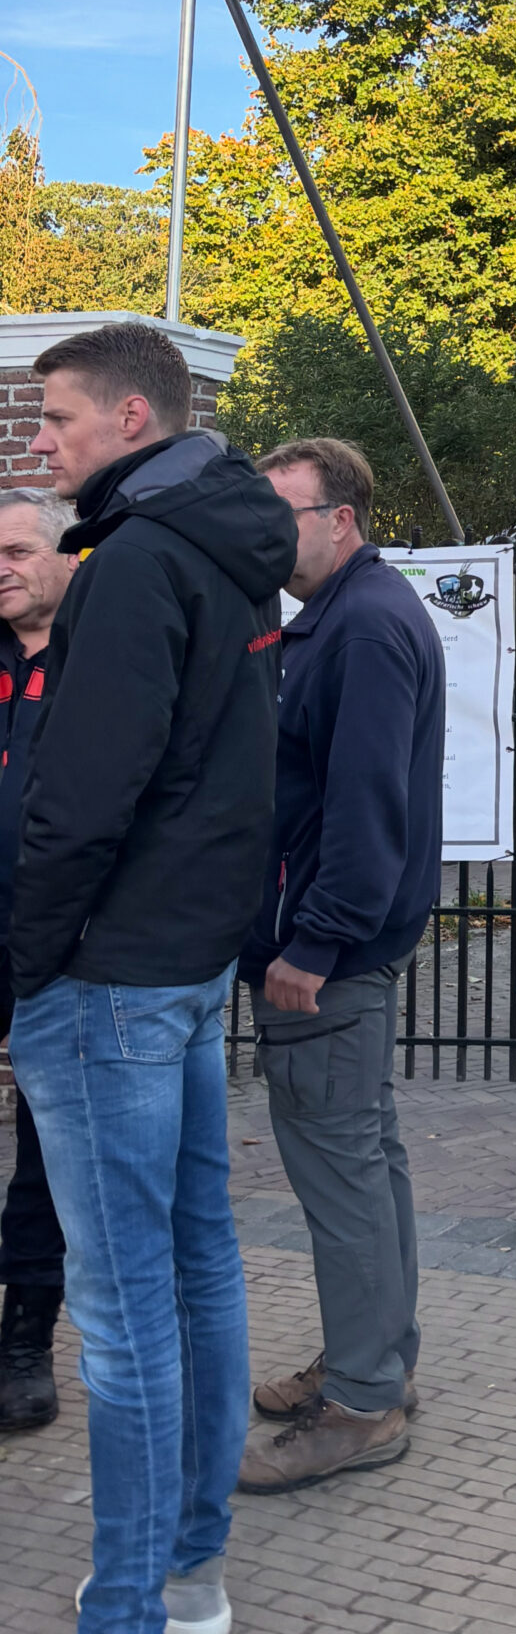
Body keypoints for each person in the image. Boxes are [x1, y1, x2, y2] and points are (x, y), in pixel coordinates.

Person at [8, 323, 296, 1634]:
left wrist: (18, 970)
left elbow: (80, 802)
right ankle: (190, 1574)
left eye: (55, 417)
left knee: (126, 1323)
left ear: (131, 419)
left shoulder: (134, 565)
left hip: (113, 977)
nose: (37, 440)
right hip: (177, 966)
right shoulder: (234, 554)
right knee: (198, 1267)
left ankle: (131, 1604)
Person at [234, 439, 446, 1495]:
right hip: (346, 942)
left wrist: (313, 940)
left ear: (342, 519)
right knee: (368, 1157)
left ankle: (363, 1400)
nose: (274, 536)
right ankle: (375, 1357)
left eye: (288, 515)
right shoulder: (357, 611)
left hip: (330, 953)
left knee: (344, 1172)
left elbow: (367, 806)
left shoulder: (361, 624)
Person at [0, 488, 77, 1430]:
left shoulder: (100, 663)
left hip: (63, 940)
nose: (3, 566)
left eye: (19, 549)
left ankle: (26, 1342)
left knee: (47, 1146)